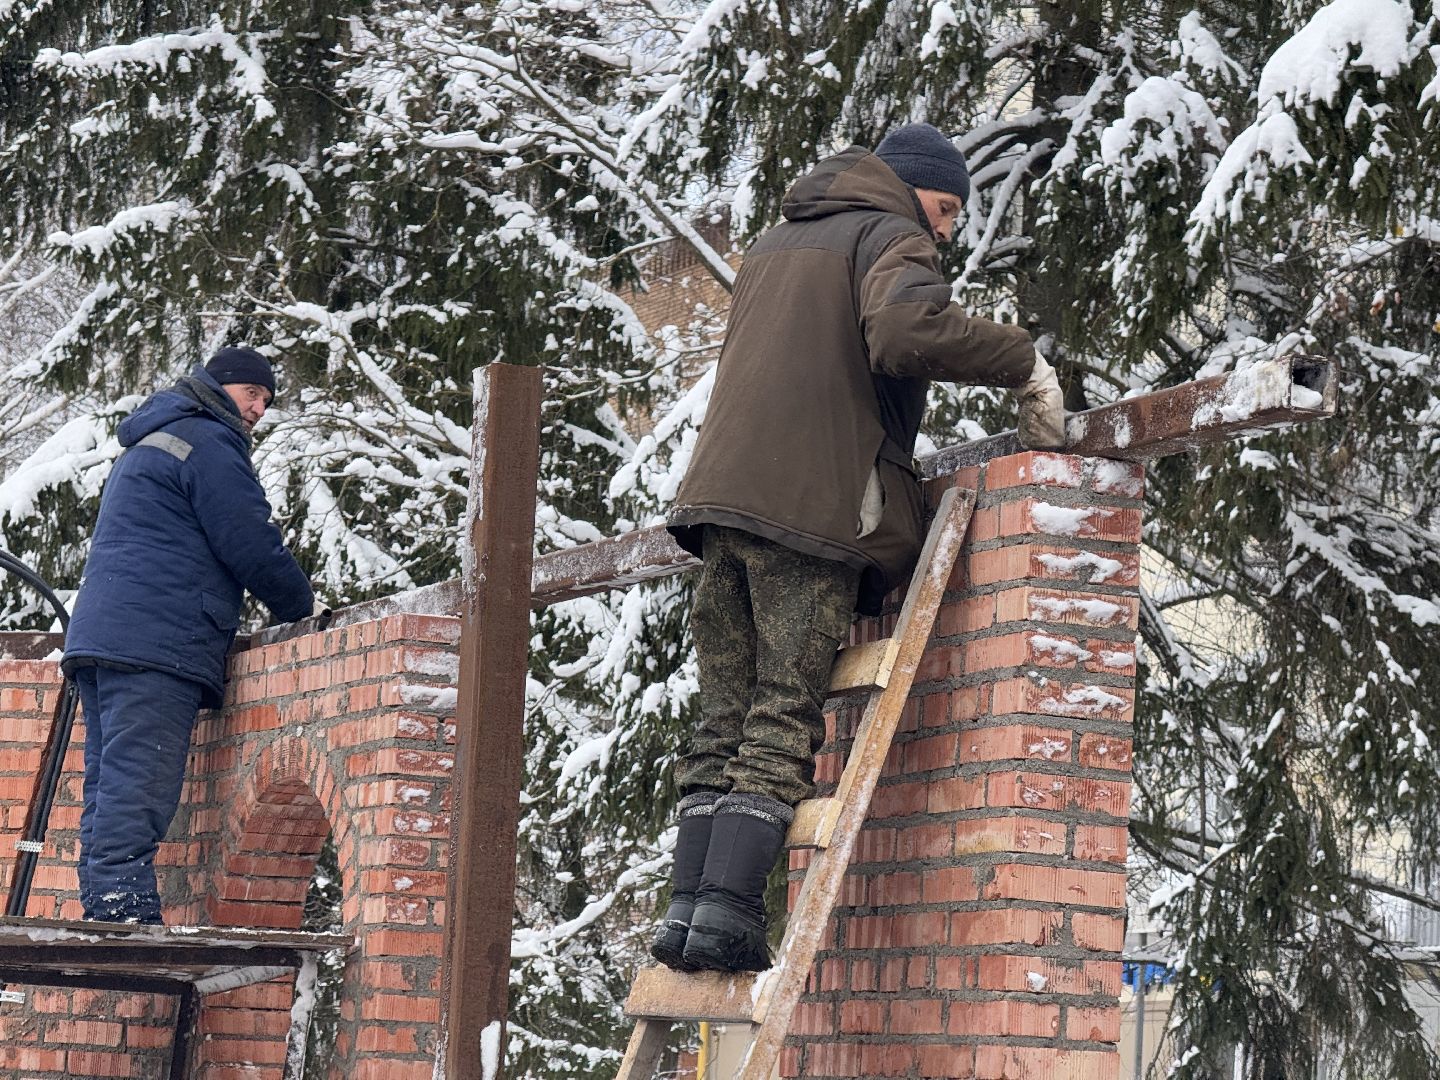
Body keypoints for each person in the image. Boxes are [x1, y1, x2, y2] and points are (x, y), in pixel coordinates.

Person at [653, 124, 1066, 972]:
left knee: (721, 720)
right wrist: (1023, 361)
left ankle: (685, 919)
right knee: (779, 714)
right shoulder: (890, 233)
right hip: (806, 514)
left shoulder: (776, 244)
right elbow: (905, 332)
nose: (948, 231)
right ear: (912, 188)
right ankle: (728, 918)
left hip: (720, 507)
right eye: (947, 208)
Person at [62, 347, 322, 924]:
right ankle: (122, 906)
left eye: (267, 400)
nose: (259, 409)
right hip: (156, 638)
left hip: (111, 633)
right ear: (221, 386)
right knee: (142, 778)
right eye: (253, 394)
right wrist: (301, 608)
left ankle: (108, 899)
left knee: (111, 776)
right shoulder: (207, 440)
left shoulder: (157, 437)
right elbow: (248, 537)